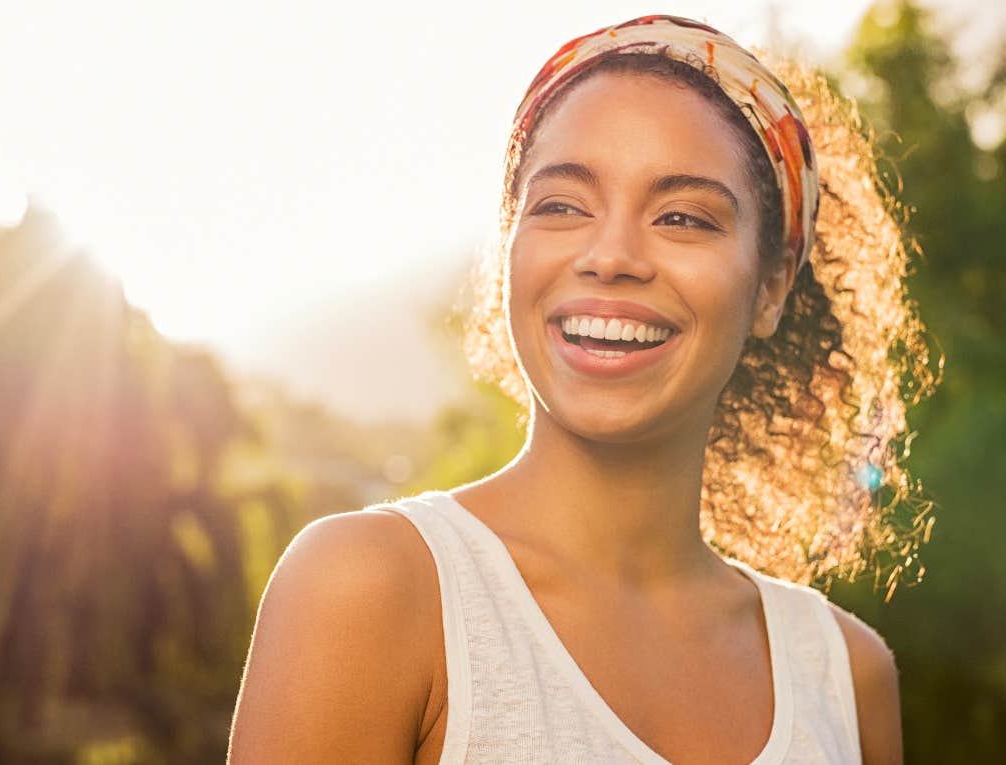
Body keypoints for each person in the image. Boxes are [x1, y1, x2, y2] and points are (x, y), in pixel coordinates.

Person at [229, 14, 933, 765]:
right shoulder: (368, 590)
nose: (611, 255)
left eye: (684, 217)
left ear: (770, 286)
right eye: (562, 205)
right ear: (512, 247)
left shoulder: (845, 678)